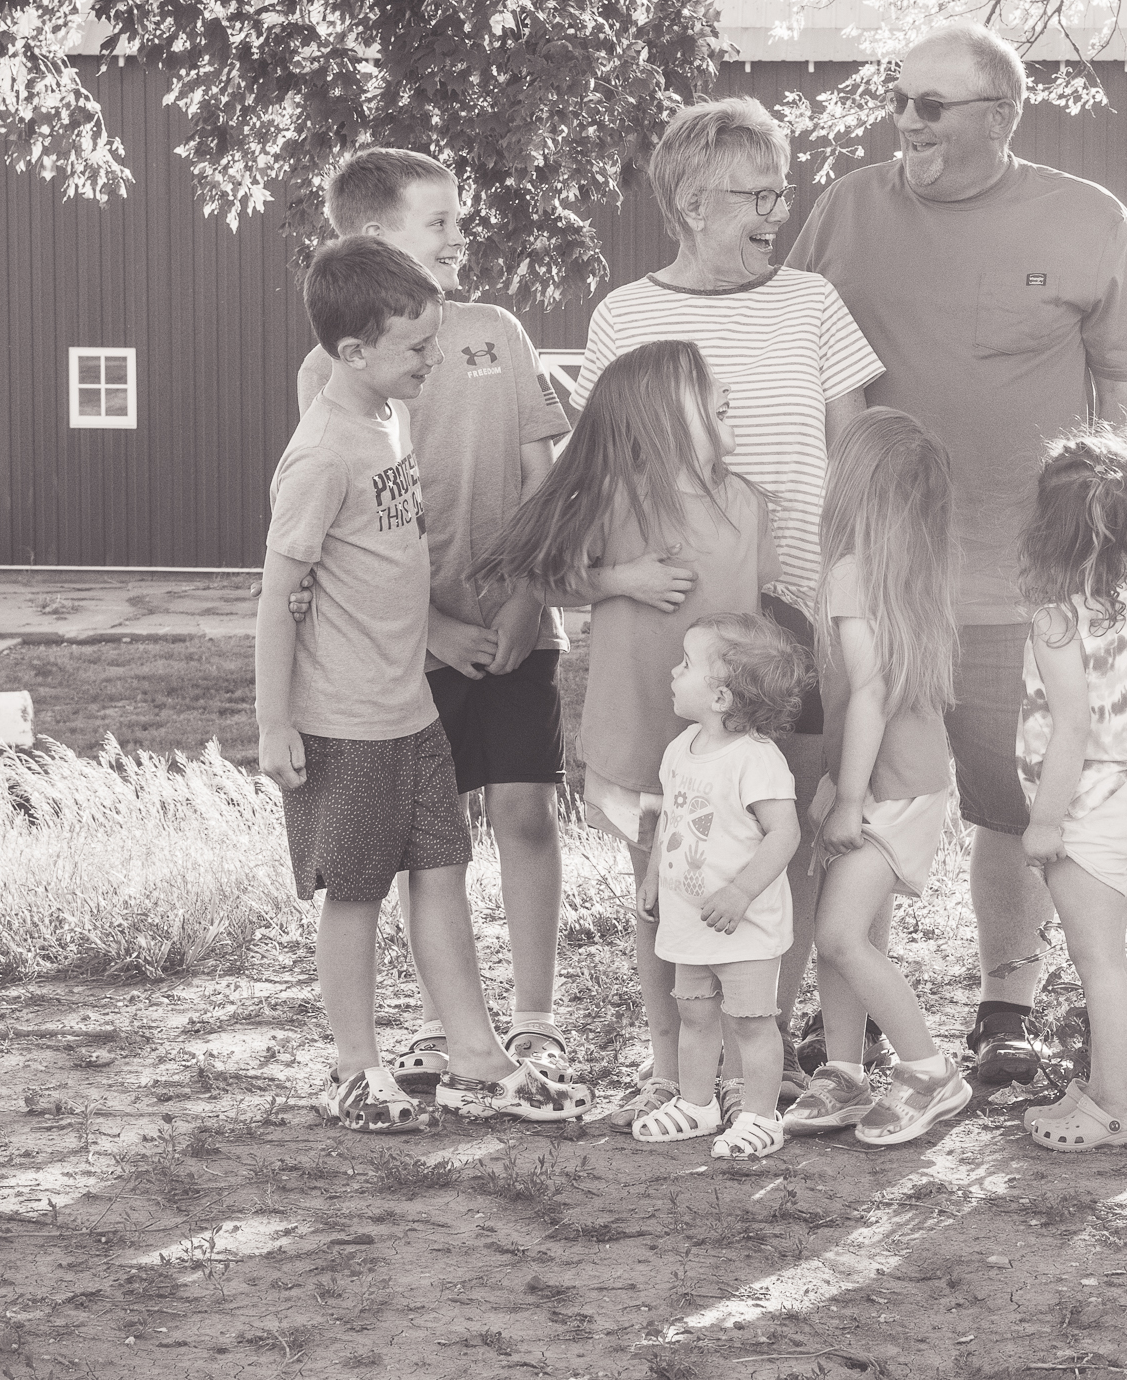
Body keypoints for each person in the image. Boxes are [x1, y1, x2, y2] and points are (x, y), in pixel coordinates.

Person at [787, 22, 1127, 1083]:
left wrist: (1097, 546)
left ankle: (1007, 1003)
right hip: (880, 581)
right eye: (896, 99)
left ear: (998, 117)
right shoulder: (847, 212)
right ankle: (856, 1007)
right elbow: (802, 354)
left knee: (1010, 804)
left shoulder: (1087, 222)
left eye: (929, 105)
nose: (902, 122)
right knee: (862, 792)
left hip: (1022, 582)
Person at [296, 149, 692, 1092]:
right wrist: (431, 630)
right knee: (431, 841)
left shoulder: (495, 332)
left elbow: (543, 479)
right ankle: (443, 1022)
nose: (460, 235)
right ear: (372, 239)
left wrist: (527, 597)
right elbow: (344, 524)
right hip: (404, 645)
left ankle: (534, 1018)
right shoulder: (328, 367)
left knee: (522, 810)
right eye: (438, 223)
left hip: (518, 621)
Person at [574, 97, 884, 1088]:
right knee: (670, 838)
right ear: (692, 203)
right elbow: (593, 471)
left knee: (774, 828)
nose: (774, 211)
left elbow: (858, 451)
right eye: (755, 193)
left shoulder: (812, 303)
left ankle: (766, 1042)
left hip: (794, 614)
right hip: (673, 623)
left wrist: (858, 582)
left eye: (778, 190)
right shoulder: (627, 316)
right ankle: (677, 1054)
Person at [256, 235, 588, 1130]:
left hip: (410, 707)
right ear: (352, 352)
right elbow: (279, 591)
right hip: (347, 718)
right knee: (357, 892)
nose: (433, 361)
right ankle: (357, 1070)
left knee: (441, 870)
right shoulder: (323, 452)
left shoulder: (387, 418)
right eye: (416, 349)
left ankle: (477, 1053)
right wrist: (273, 721)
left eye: (435, 343)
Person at [479, 339, 780, 1127]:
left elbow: (763, 620)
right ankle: (667, 1062)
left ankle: (732, 1065)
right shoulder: (617, 500)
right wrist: (620, 579)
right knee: (660, 910)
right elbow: (539, 570)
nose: (729, 401)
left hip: (724, 759)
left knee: (728, 904)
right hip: (641, 746)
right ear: (662, 413)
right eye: (711, 393)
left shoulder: (748, 505)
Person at [781, 410, 974, 1146]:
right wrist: (838, 778)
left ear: (852, 489)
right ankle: (844, 1071)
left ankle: (929, 1072)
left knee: (836, 935)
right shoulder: (912, 573)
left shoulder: (850, 575)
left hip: (887, 788)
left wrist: (850, 797)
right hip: (908, 777)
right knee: (852, 925)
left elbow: (868, 691)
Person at [1015, 429, 1127, 1151]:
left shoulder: (1056, 614)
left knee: (1100, 961)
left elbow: (1071, 724)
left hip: (1088, 807)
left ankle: (1122, 1112)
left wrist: (1045, 823)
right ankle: (1106, 1092)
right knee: (1106, 955)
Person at [633, 613, 807, 1160]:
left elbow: (785, 834)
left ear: (722, 697)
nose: (673, 670)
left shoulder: (756, 759)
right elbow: (671, 821)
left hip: (744, 924)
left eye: (686, 665)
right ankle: (698, 1102)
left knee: (753, 1023)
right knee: (695, 1014)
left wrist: (740, 893)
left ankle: (760, 1116)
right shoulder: (680, 748)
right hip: (690, 919)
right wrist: (652, 874)